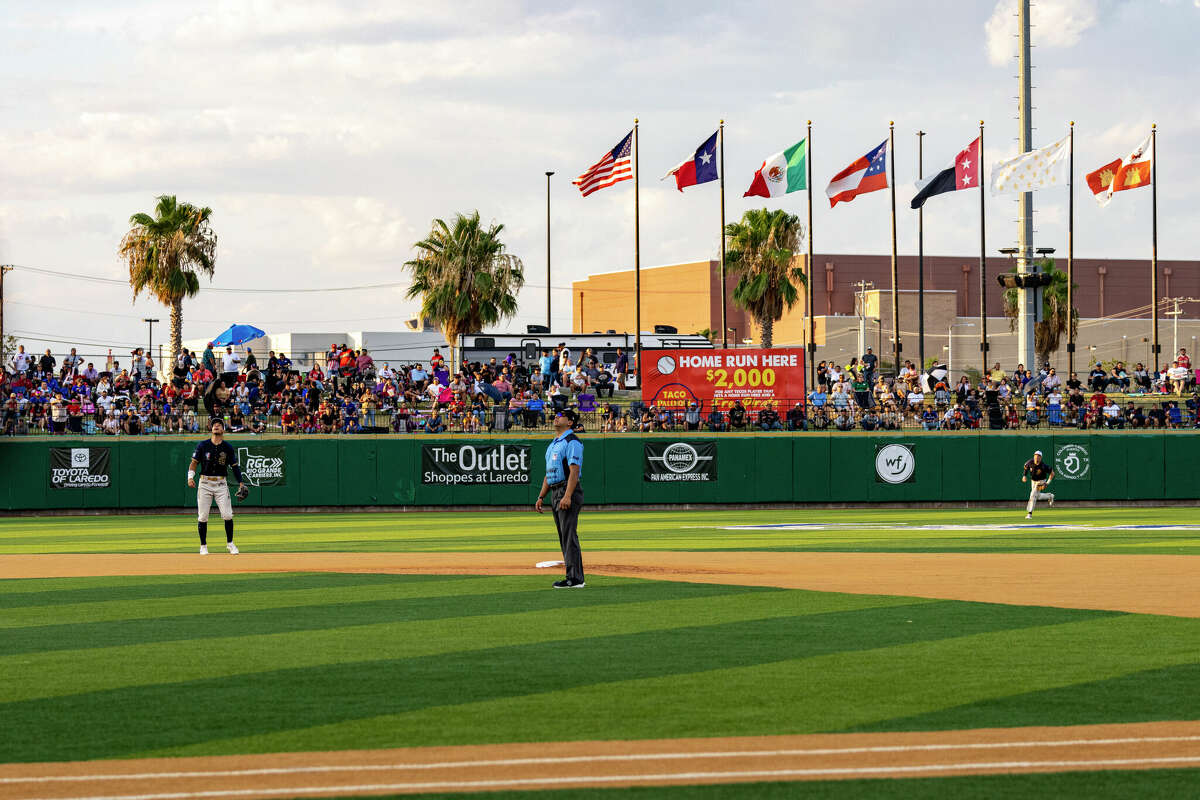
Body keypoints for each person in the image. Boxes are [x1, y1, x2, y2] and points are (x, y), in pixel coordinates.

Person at [535, 408, 585, 588]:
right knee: (564, 535)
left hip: (566, 490)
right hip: (555, 491)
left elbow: (574, 471)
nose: (556, 417)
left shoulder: (572, 442)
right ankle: (572, 576)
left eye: (560, 416)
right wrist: (541, 496)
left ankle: (575, 578)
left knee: (569, 534)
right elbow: (549, 474)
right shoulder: (554, 443)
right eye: (556, 415)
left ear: (570, 422)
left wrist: (568, 495)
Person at [187, 418, 247, 555]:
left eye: (219, 424)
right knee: (202, 516)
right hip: (205, 483)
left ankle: (230, 544)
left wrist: (241, 482)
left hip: (221, 483)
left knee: (227, 515)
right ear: (211, 429)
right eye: (214, 424)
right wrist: (190, 477)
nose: (216, 426)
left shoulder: (228, 448)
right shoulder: (203, 445)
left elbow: (235, 467)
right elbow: (194, 463)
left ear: (223, 429)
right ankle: (203, 546)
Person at [1021, 449, 1055, 520]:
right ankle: (1050, 496)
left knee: (1032, 495)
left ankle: (1029, 513)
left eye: (1038, 456)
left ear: (1041, 458)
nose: (1036, 457)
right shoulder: (1030, 462)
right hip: (1033, 481)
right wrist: (1024, 476)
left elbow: (1052, 473)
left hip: (1041, 481)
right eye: (1035, 456)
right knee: (1037, 496)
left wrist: (1047, 483)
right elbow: (1025, 468)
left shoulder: (1043, 466)